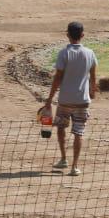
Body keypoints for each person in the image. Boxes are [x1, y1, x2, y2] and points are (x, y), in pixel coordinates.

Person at [41, 21, 97, 177]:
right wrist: (92, 92)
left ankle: (64, 158)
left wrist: (49, 98)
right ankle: (75, 166)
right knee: (79, 132)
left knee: (60, 127)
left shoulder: (63, 53)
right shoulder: (90, 53)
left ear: (67, 35)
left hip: (65, 99)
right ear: (82, 35)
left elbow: (58, 78)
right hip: (82, 100)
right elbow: (93, 77)